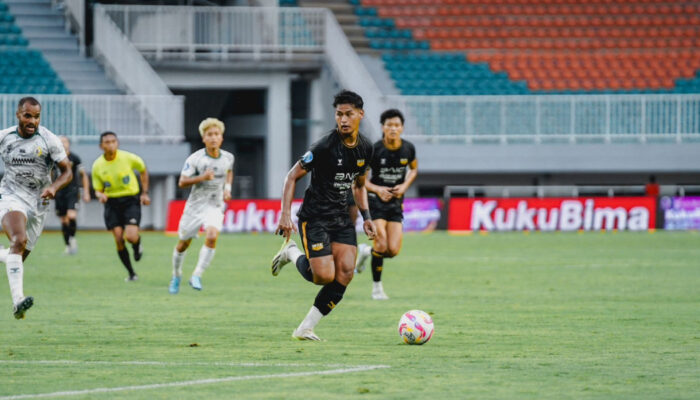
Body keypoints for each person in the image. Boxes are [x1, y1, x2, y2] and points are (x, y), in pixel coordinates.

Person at [270, 90, 376, 341]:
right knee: (323, 276)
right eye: (339, 114)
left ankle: (305, 328)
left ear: (360, 114)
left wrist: (367, 216)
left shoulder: (366, 148)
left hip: (341, 217)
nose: (343, 120)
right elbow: (291, 176)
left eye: (349, 114)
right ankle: (291, 253)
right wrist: (285, 214)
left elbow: (359, 185)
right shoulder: (324, 146)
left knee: (346, 272)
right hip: (315, 217)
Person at [0, 97, 72, 319]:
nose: (32, 121)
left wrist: (54, 187)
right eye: (28, 116)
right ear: (18, 115)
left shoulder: (49, 140)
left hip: (39, 203)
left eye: (37, 116)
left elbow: (67, 172)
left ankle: (3, 256)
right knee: (18, 241)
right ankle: (18, 301)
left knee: (17, 256)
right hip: (11, 196)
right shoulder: (4, 137)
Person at [355, 109, 418, 300]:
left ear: (402, 128)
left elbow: (413, 170)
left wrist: (404, 186)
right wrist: (377, 190)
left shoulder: (408, 148)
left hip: (396, 204)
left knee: (393, 250)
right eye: (389, 125)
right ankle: (377, 289)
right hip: (376, 203)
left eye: (397, 125)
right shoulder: (374, 150)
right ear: (383, 128)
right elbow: (361, 180)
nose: (393, 128)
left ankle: (366, 252)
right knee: (381, 244)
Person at [169, 118, 234, 294]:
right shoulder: (196, 159)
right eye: (209, 135)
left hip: (215, 204)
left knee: (212, 236)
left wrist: (227, 189)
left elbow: (229, 172)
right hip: (195, 207)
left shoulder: (228, 157)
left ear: (221, 137)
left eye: (217, 134)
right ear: (203, 138)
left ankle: (197, 275)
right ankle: (176, 274)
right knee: (183, 244)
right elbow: (182, 182)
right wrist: (202, 178)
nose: (213, 138)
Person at [91, 131, 150, 282]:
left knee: (130, 237)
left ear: (117, 143)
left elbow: (143, 170)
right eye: (107, 142)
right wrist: (100, 195)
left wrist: (145, 193)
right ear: (101, 146)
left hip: (130, 200)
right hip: (112, 203)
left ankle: (137, 245)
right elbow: (97, 189)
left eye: (113, 141)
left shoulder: (128, 157)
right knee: (118, 238)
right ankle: (131, 273)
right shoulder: (97, 165)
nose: (111, 144)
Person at [54, 136, 90, 255]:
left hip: (72, 191)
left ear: (69, 143)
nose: (62, 144)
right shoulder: (54, 158)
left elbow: (83, 175)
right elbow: (50, 174)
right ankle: (68, 246)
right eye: (60, 142)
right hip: (59, 192)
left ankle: (73, 238)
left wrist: (86, 191)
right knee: (64, 221)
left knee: (72, 216)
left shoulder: (75, 158)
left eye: (64, 141)